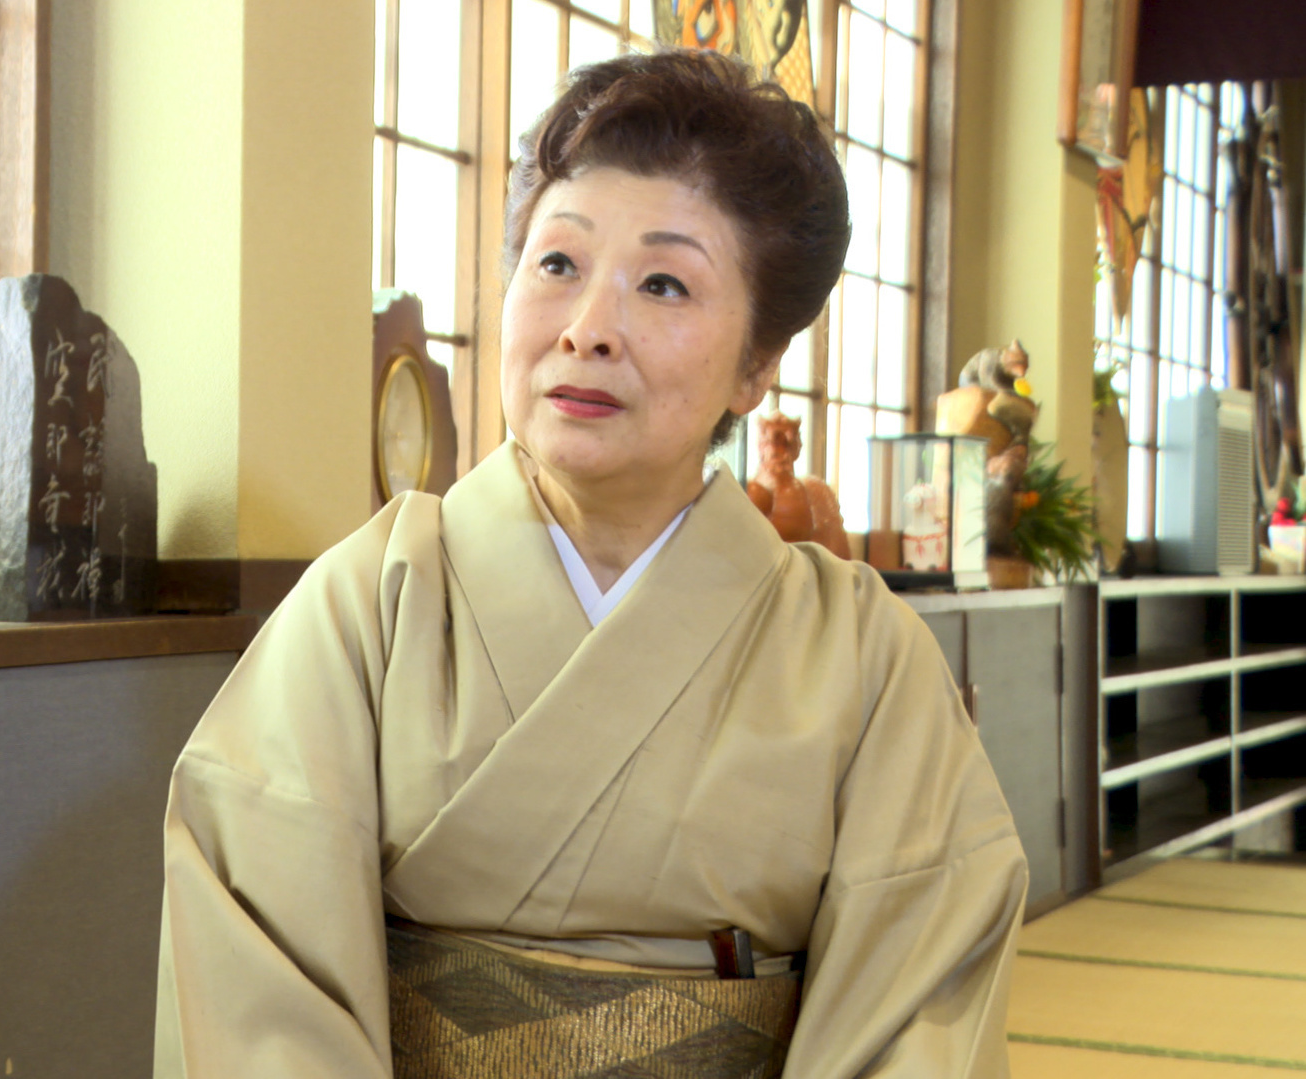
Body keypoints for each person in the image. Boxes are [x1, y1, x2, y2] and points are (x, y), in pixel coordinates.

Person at [156, 48, 1026, 1079]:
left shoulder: (865, 658)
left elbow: (917, 1003)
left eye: (662, 283)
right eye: (557, 265)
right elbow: (259, 972)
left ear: (756, 363)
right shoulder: (368, 602)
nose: (586, 331)